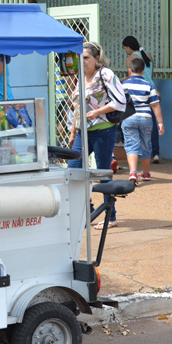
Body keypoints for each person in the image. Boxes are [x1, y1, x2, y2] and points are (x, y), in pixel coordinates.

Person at [66, 42, 127, 229]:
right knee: (74, 170)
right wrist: (73, 129)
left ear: (96, 59)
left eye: (85, 58)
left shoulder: (105, 74)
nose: (82, 61)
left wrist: (98, 112)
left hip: (104, 130)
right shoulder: (81, 77)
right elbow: (78, 107)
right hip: (83, 132)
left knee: (102, 172)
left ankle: (111, 216)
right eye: (79, 58)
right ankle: (88, 212)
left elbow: (120, 101)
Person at [121, 57, 165, 185]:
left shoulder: (124, 85)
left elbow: (119, 102)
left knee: (131, 145)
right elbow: (155, 105)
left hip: (129, 118)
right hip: (146, 118)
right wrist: (160, 122)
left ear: (129, 70)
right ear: (143, 70)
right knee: (146, 144)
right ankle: (145, 173)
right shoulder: (148, 85)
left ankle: (133, 172)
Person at [122, 36, 160, 163]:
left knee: (132, 121)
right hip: (151, 89)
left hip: (137, 92)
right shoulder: (147, 54)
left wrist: (118, 80)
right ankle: (155, 153)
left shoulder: (130, 58)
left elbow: (130, 77)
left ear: (128, 47)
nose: (125, 51)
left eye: (125, 48)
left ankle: (135, 154)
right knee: (152, 123)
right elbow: (151, 74)